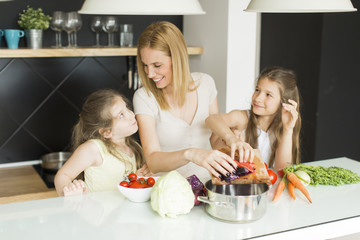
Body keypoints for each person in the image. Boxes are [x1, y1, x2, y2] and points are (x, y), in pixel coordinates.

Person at [133, 21, 247, 182]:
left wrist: (229, 140)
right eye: (145, 65)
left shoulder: (206, 83)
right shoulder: (144, 97)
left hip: (208, 183)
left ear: (177, 59)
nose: (150, 73)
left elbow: (214, 142)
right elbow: (153, 160)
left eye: (157, 65)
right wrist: (191, 154)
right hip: (169, 188)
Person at [54, 89, 151, 196]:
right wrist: (67, 191)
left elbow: (125, 186)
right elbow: (62, 175)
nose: (131, 114)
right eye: (121, 115)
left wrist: (137, 178)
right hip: (95, 212)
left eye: (127, 108)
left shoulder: (136, 148)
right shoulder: (93, 149)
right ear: (106, 132)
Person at [206, 66, 302, 171]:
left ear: (284, 102)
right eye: (257, 90)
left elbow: (282, 170)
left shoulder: (283, 127)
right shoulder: (243, 118)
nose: (258, 98)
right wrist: (231, 138)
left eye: (268, 95)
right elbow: (212, 119)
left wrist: (288, 130)